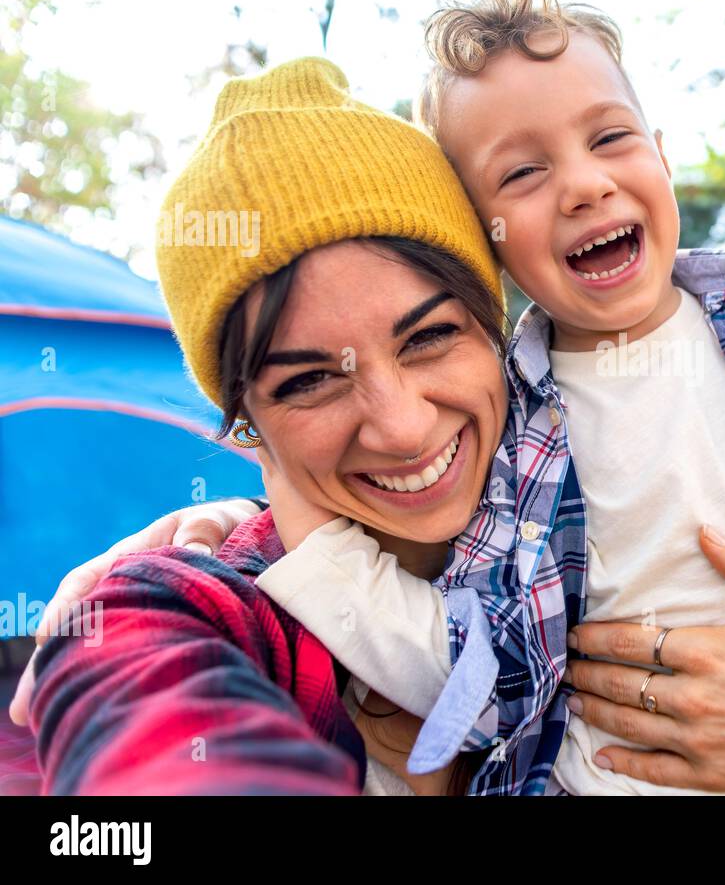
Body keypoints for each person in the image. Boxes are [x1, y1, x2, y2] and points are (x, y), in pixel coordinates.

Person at [15, 0, 725, 796]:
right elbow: (174, 694)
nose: (401, 426)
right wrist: (282, 542)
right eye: (522, 176)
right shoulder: (521, 444)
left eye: (431, 337)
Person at [25, 56, 511, 795]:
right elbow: (144, 682)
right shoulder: (201, 602)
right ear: (247, 421)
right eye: (311, 380)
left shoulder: (631, 509)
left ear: (494, 326)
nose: (404, 427)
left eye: (429, 336)